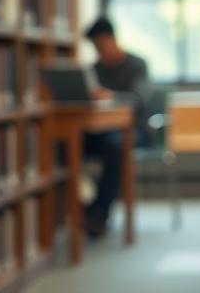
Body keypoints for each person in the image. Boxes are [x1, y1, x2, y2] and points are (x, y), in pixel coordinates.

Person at [82, 16, 152, 238]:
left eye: (101, 45)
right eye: (95, 47)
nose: (99, 51)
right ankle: (80, 208)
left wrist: (110, 96)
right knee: (65, 144)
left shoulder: (137, 65)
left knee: (116, 145)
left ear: (112, 39)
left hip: (135, 130)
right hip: (99, 130)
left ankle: (99, 212)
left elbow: (139, 100)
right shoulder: (94, 70)